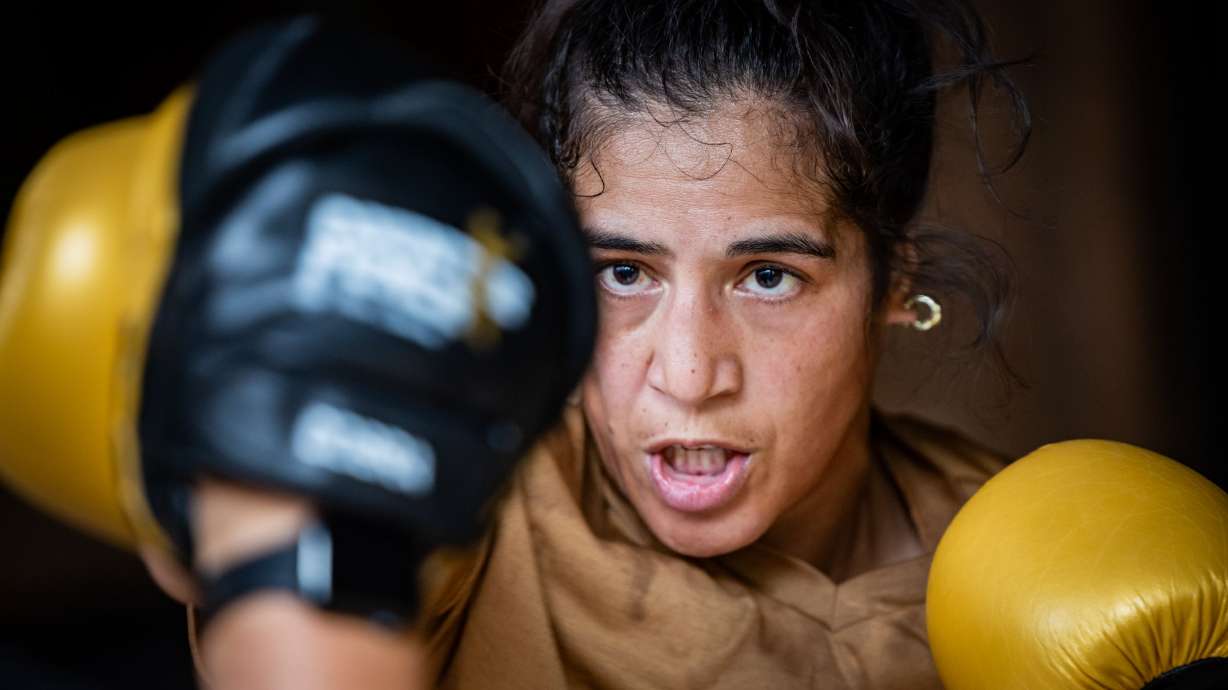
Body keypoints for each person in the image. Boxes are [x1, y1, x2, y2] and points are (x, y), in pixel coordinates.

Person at [172, 2, 1030, 688]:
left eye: (768, 276)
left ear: (889, 285)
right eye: (623, 272)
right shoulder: (474, 487)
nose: (689, 373)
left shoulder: (1022, 559)